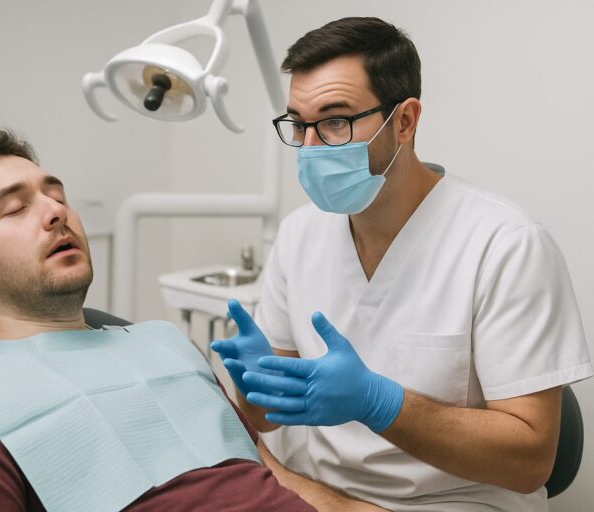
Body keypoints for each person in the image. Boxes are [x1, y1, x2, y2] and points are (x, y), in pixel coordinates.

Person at [211, 17, 592, 511]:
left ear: (405, 121)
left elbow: (530, 464)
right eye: (298, 125)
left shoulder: (505, 244)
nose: (308, 148)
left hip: (457, 502)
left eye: (334, 121)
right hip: (322, 495)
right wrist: (256, 387)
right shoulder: (299, 234)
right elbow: (266, 419)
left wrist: (381, 403)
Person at [0, 129, 389, 512]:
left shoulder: (165, 344)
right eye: (15, 208)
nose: (54, 213)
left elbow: (274, 478)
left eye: (57, 196)